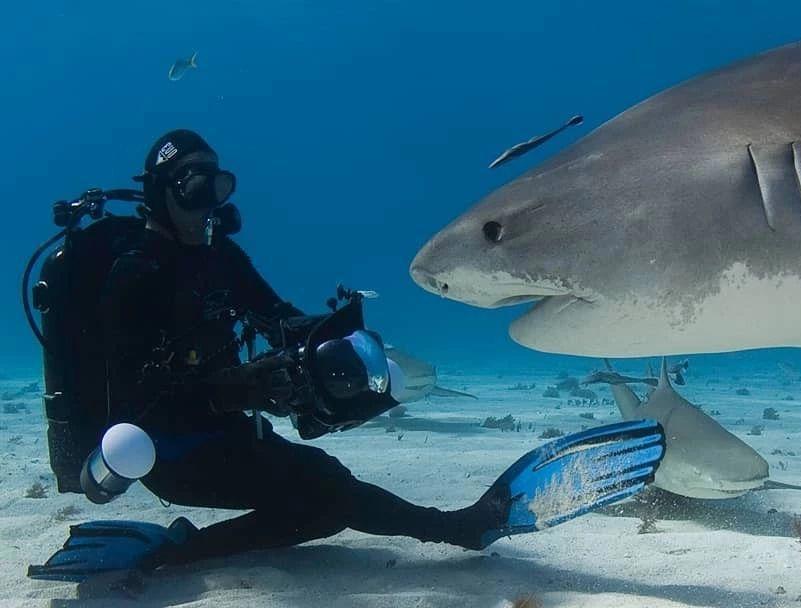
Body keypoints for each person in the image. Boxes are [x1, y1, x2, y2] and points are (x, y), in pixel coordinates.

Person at [27, 129, 665, 581]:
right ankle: (459, 528)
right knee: (326, 492)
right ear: (162, 192)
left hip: (222, 434)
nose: (209, 205)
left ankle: (175, 551)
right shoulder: (134, 273)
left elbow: (278, 318)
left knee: (322, 486)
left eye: (216, 186)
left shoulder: (220, 257)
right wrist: (238, 388)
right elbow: (138, 392)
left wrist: (334, 339)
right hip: (164, 451)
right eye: (194, 189)